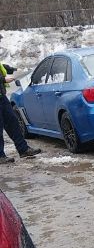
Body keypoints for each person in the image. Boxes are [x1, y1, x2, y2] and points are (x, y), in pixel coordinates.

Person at [0, 36, 41, 164]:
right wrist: (3, 79)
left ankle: (23, 149)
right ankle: (0, 156)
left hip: (1, 97)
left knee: (12, 122)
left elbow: (2, 67)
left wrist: (14, 70)